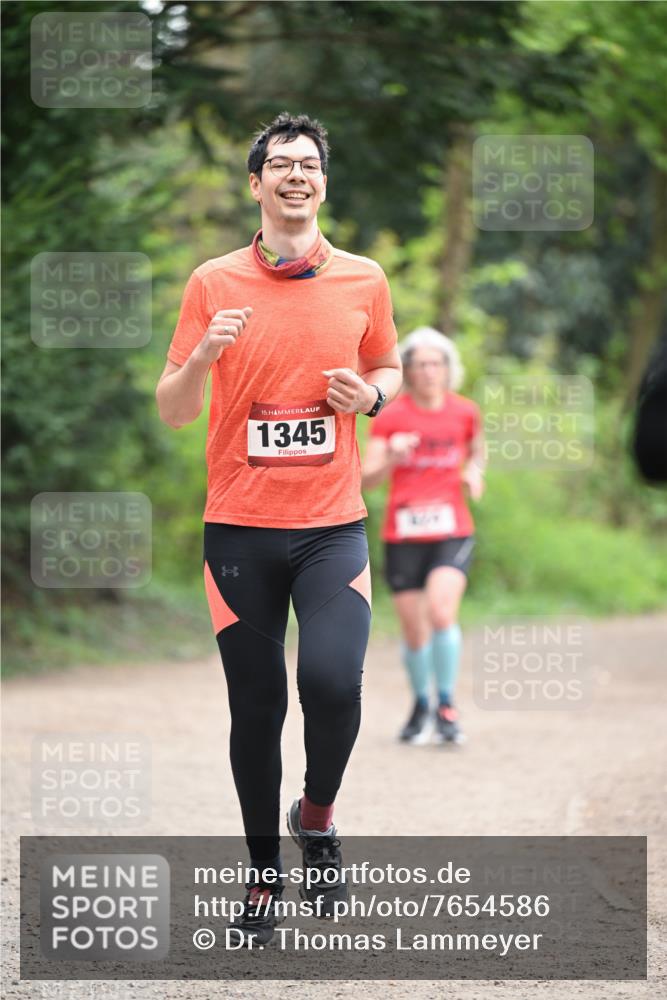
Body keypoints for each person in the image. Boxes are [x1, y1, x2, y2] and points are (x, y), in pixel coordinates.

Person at [156, 112, 402, 946]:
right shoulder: (211, 284)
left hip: (332, 526)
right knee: (255, 710)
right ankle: (262, 875)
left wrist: (370, 398)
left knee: (333, 685)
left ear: (323, 183)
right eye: (281, 164)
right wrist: (200, 358)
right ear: (256, 183)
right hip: (238, 532)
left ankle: (318, 816)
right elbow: (175, 411)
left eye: (310, 164)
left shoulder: (363, 278)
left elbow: (388, 366)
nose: (296, 174)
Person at [361, 327, 484, 746]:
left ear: (449, 369)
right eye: (420, 365)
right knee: (414, 632)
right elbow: (366, 479)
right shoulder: (391, 416)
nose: (429, 372)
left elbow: (477, 451)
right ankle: (420, 704)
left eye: (437, 364)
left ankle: (446, 704)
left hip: (452, 531)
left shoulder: (465, 412)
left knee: (442, 611)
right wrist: (393, 456)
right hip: (403, 533)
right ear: (408, 372)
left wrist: (474, 473)